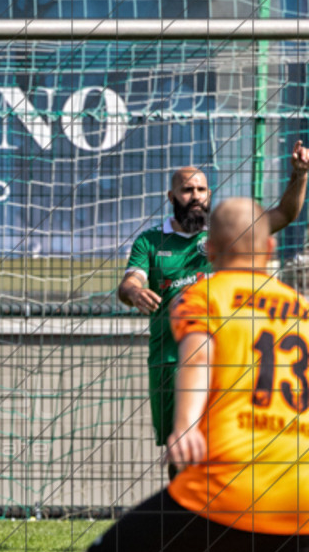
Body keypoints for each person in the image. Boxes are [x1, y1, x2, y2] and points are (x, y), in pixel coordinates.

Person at [79, 197, 309, 552]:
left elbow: (200, 356)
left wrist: (183, 424)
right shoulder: (302, 311)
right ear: (269, 248)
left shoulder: (205, 294)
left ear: (212, 248)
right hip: (299, 490)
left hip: (225, 486)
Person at [117, 144, 309, 468]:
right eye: (187, 190)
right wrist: (134, 292)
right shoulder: (150, 241)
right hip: (168, 360)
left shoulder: (228, 235)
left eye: (202, 189)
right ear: (171, 196)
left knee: (226, 448)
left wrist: (300, 175)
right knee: (180, 453)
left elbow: (284, 214)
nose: (195, 196)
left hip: (226, 362)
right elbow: (129, 281)